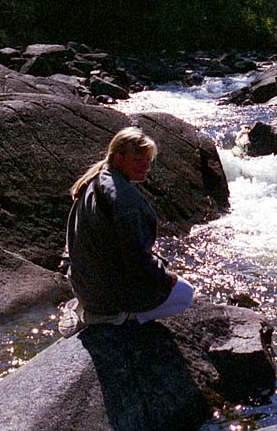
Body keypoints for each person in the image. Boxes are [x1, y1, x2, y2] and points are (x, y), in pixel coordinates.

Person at [58, 127, 194, 337]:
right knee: (185, 294)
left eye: (148, 160)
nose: (145, 166)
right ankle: (111, 317)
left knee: (161, 270)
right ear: (119, 157)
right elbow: (136, 260)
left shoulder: (95, 181)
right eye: (138, 159)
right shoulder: (123, 199)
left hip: (84, 283)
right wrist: (165, 277)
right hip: (106, 294)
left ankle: (84, 305)